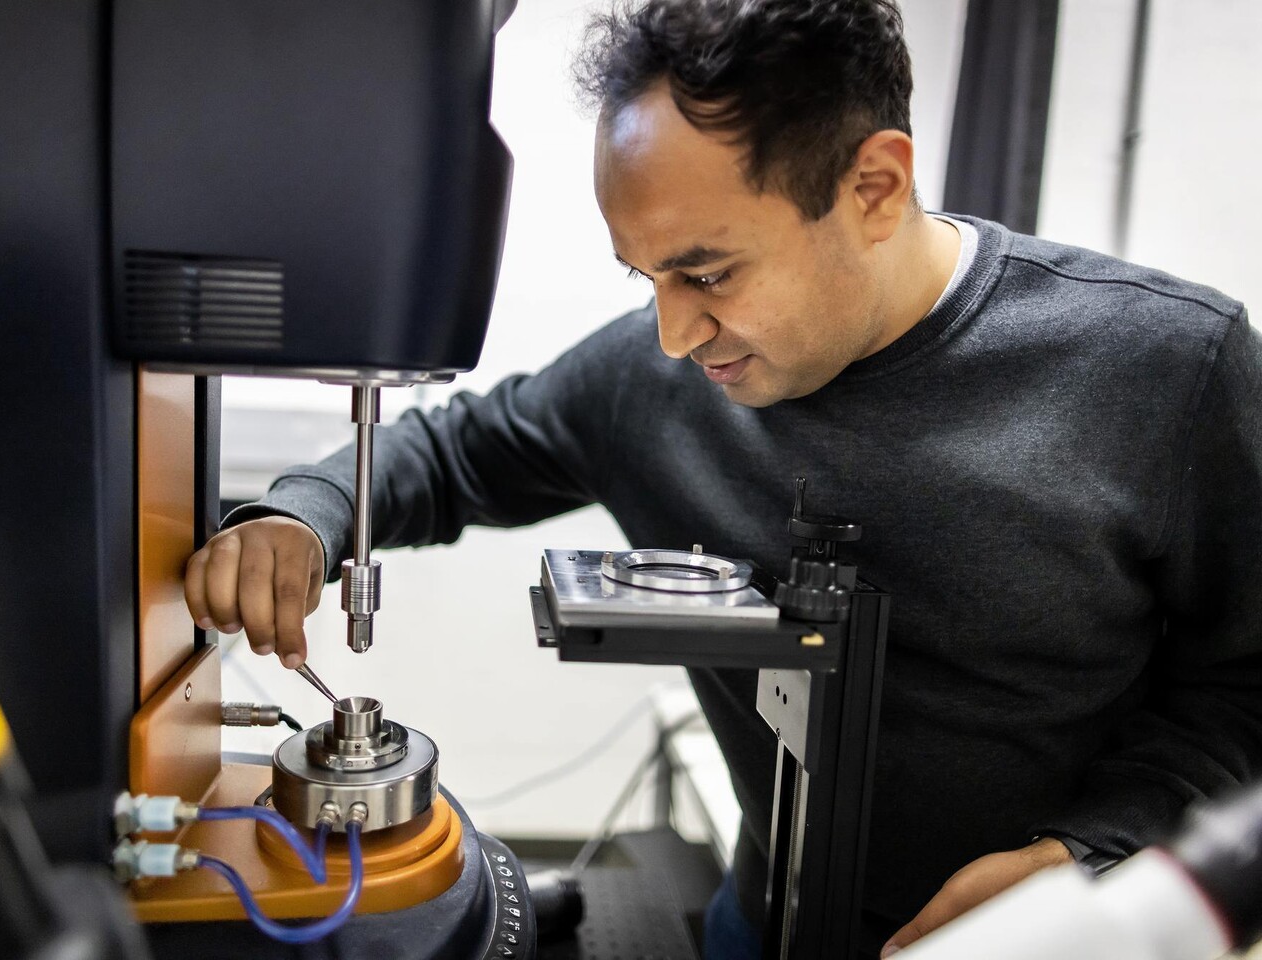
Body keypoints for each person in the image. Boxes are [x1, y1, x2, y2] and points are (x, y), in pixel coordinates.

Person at [183, 1, 1262, 957]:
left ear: (874, 187)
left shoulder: (1169, 368)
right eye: (645, 276)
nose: (672, 335)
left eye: (706, 273)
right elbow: (455, 451)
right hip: (762, 923)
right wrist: (306, 514)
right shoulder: (666, 379)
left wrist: (1088, 857)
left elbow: (1247, 691)